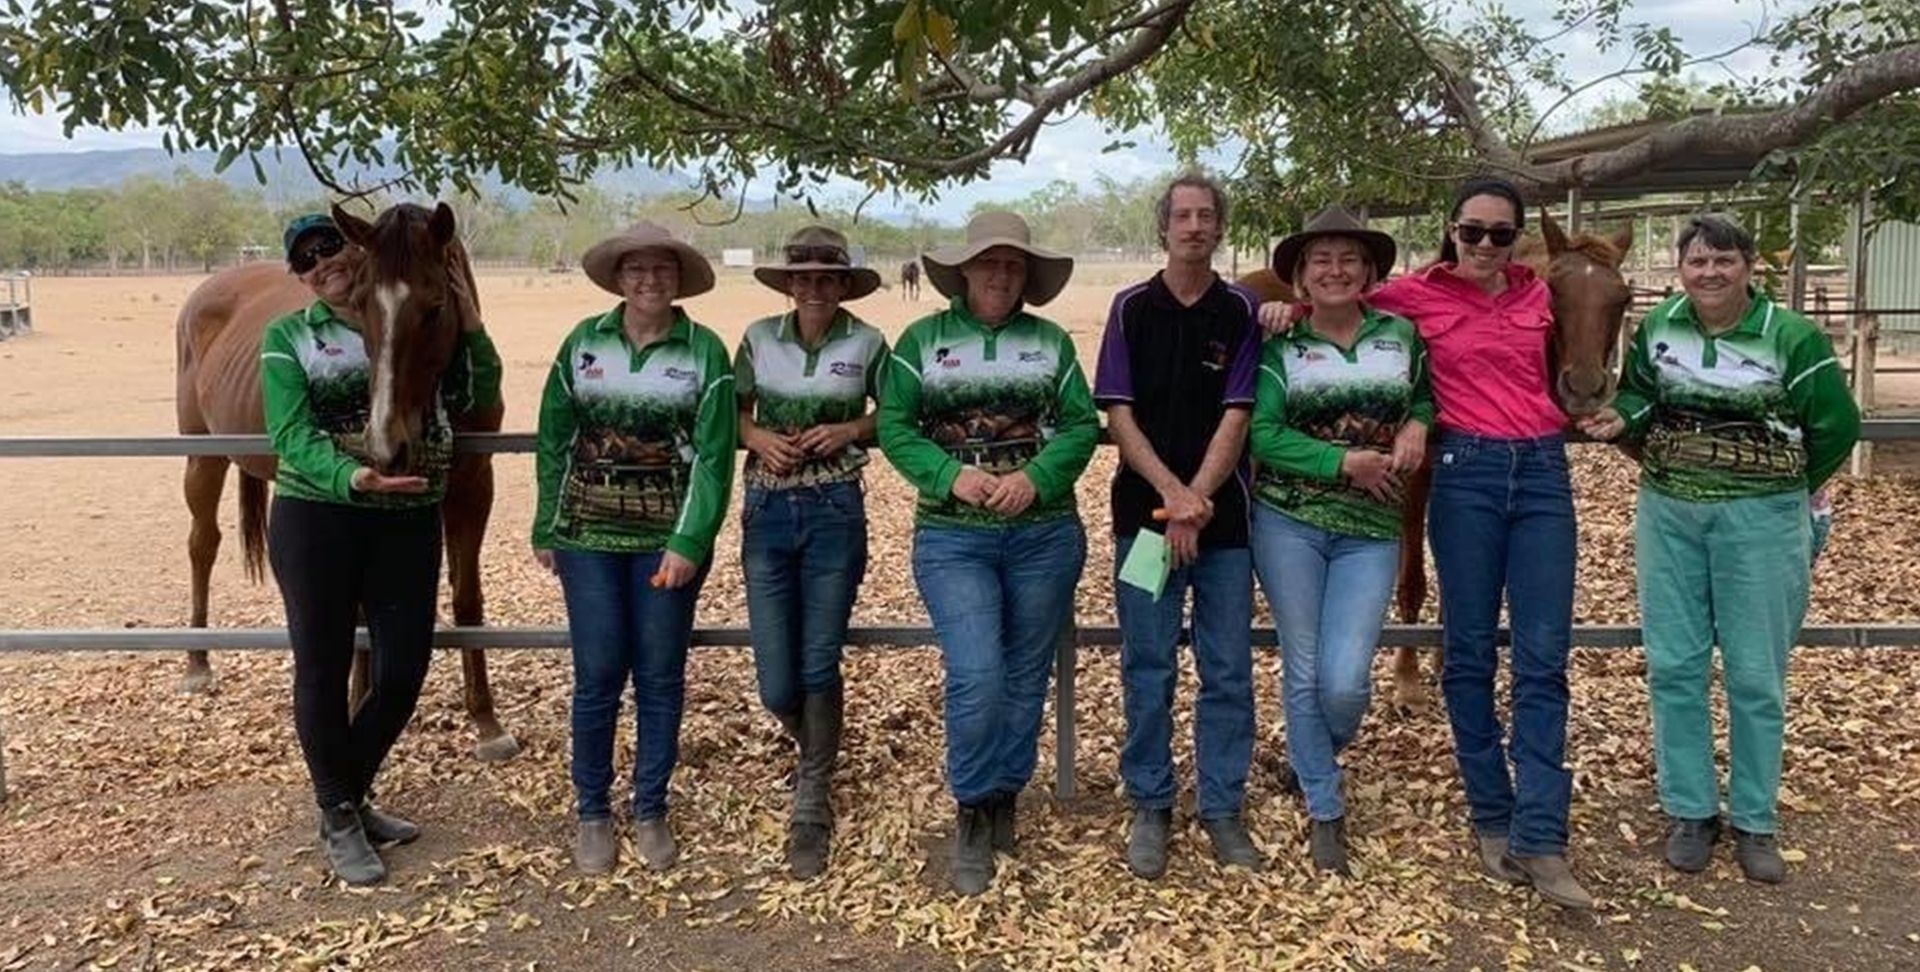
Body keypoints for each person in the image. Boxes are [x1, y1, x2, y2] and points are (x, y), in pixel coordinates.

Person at [1264, 178, 1591, 907]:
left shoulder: (1541, 294)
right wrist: (1278, 307)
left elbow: (1593, 354)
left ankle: (1543, 833)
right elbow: (1336, 305)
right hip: (1468, 472)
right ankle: (1491, 816)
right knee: (1468, 650)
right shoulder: (1410, 297)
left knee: (1543, 657)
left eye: (1500, 235)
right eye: (1472, 232)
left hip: (1541, 471)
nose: (1484, 246)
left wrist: (1613, 411)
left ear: (1516, 240)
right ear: (1452, 231)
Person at [1579, 214, 1860, 883]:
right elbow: (1645, 396)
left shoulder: (1792, 337)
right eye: (1697, 262)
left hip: (1760, 521)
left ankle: (1756, 818)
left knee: (1755, 674)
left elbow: (1836, 426)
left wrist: (1781, 488)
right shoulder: (1661, 326)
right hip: (1669, 515)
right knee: (1675, 665)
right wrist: (1625, 416)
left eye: (1723, 261)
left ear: (1748, 266)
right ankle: (1690, 809)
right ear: (1681, 269)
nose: (1709, 273)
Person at [262, 213, 502, 886]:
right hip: (319, 516)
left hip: (407, 517)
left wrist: (475, 329)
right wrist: (350, 475)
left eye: (330, 247)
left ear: (356, 251)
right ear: (301, 278)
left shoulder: (398, 318)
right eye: (306, 259)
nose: (323, 262)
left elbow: (477, 396)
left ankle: (345, 794)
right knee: (322, 666)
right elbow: (288, 432)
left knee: (402, 671)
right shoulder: (289, 337)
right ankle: (341, 811)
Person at [878, 211, 1099, 896]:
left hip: (1045, 534)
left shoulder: (1049, 343)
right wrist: (953, 477)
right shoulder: (922, 341)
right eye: (989, 263)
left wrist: (1035, 479)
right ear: (965, 270)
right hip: (953, 537)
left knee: (1028, 672)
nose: (1001, 275)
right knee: (977, 672)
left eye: (1012, 266)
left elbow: (1082, 424)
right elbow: (895, 424)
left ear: (1026, 276)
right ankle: (972, 804)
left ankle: (1007, 790)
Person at [532, 222, 737, 875]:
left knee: (658, 676)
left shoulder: (705, 351)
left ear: (679, 281)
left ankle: (650, 807)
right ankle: (592, 810)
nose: (649, 281)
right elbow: (554, 436)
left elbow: (713, 457)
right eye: (636, 270)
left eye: (662, 270)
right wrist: (545, 522)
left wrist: (690, 540)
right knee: (596, 676)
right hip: (587, 535)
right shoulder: (583, 344)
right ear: (619, 279)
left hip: (664, 544)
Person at [1248, 206, 1432, 876]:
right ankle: (1325, 805)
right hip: (1289, 523)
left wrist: (1416, 422)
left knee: (1348, 681)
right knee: (1304, 669)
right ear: (1299, 276)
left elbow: (1425, 397)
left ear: (1370, 271)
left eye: (1348, 258)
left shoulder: (1400, 337)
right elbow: (1261, 434)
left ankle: (1312, 756)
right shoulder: (1281, 351)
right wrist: (1339, 463)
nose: (1335, 270)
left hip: (1373, 532)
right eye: (1320, 259)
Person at [1093, 173, 1262, 879]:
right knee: (1149, 663)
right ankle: (1151, 801)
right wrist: (1171, 496)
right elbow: (1118, 412)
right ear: (1162, 228)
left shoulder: (1243, 312)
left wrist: (1198, 497)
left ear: (1221, 228)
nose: (1194, 227)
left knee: (1227, 668)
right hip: (1144, 524)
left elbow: (1239, 412)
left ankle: (1222, 804)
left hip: (1225, 527)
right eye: (1182, 216)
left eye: (1206, 216)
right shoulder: (1130, 309)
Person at [735, 226, 889, 878]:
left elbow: (898, 412)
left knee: (819, 658)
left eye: (828, 278)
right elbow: (731, 412)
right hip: (768, 510)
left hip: (834, 510)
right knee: (776, 679)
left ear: (844, 284)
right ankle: (818, 750)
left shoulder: (869, 343)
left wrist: (850, 428)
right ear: (788, 285)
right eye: (803, 278)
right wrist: (760, 437)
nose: (815, 288)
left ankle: (813, 799)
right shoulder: (757, 339)